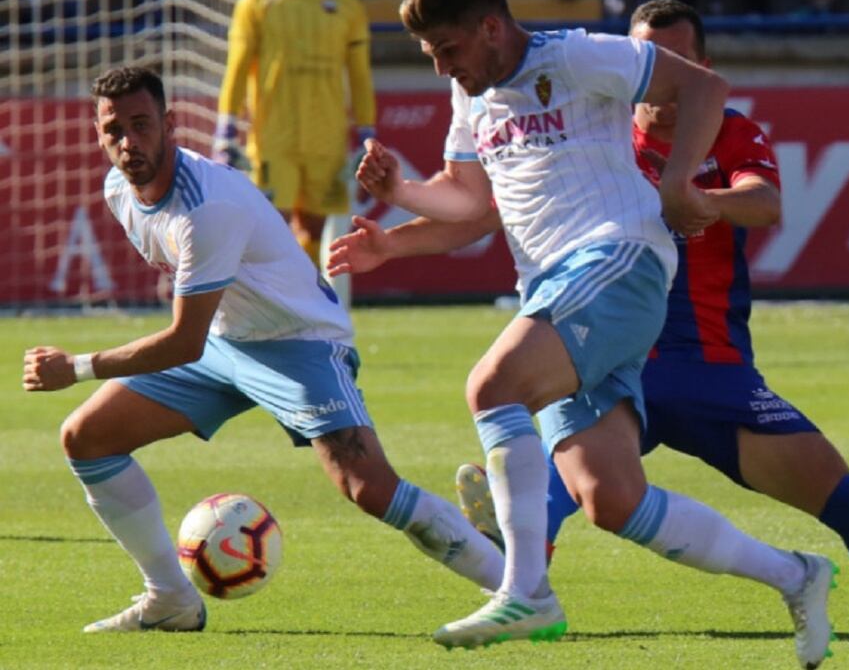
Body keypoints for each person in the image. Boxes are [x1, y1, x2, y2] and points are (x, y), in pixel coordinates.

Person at [332, 0, 849, 670]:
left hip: (709, 367)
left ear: (696, 70)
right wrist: (395, 241)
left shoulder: (728, 131)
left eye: (676, 69)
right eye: (648, 67)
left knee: (845, 500)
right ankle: (520, 566)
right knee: (581, 480)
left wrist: (698, 197)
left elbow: (766, 202)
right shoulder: (600, 126)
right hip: (610, 348)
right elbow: (485, 209)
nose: (658, 90)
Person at [350, 0, 837, 666]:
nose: (440, 69)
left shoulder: (577, 57)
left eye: (447, 50)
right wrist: (399, 212)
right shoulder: (472, 96)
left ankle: (526, 591)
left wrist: (676, 184)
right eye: (429, 55)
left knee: (491, 387)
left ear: (490, 28)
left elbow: (704, 86)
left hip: (619, 259)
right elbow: (471, 203)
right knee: (610, 498)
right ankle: (796, 574)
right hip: (558, 288)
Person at [22, 66, 504, 633]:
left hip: (296, 341)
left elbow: (182, 339)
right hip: (224, 343)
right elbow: (196, 332)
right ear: (98, 134)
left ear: (169, 124)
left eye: (141, 124)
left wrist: (77, 367)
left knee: (367, 487)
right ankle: (170, 598)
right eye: (114, 130)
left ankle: (514, 583)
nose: (129, 142)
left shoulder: (206, 207)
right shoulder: (116, 190)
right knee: (87, 438)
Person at [215, 0, 375, 268]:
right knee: (271, 229)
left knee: (314, 231)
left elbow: (360, 76)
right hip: (273, 136)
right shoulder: (258, 0)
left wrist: (367, 132)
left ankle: (299, 311)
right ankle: (271, 311)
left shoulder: (347, 7)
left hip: (326, 136)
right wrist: (225, 130)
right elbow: (237, 69)